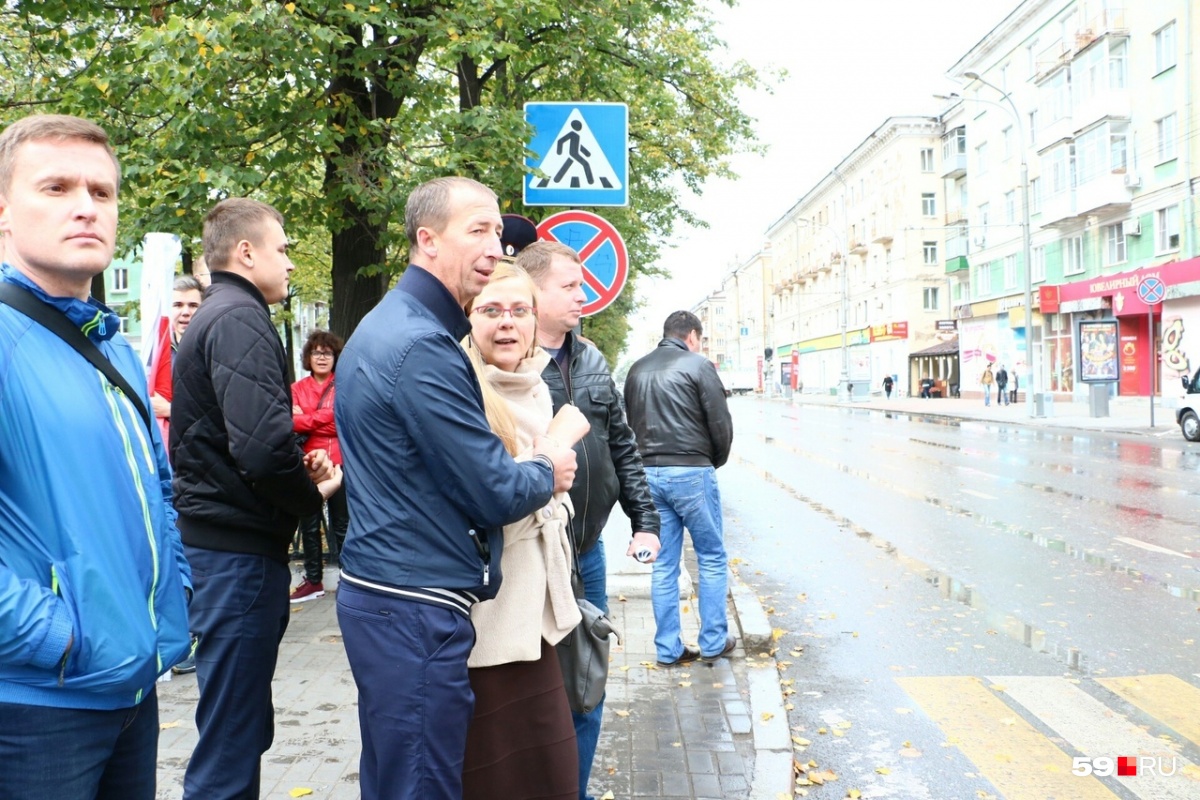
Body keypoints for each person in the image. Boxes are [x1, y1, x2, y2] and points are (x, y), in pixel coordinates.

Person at [334, 176, 578, 800]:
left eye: (497, 230)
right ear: (427, 240)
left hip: (392, 596)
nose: (495, 246)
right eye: (477, 230)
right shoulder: (421, 344)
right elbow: (494, 490)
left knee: (398, 777)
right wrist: (548, 467)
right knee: (421, 784)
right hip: (415, 607)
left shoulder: (395, 325)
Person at [0, 113, 192, 800]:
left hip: (129, 686)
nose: (86, 206)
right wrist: (57, 637)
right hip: (33, 706)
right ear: (3, 211)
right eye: (55, 187)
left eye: (102, 192)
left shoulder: (111, 345)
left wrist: (175, 597)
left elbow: (159, 489)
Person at [171, 198, 343, 800]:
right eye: (284, 248)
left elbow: (238, 439)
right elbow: (262, 451)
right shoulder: (240, 317)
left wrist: (296, 466)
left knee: (237, 726)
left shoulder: (222, 314)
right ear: (246, 252)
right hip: (237, 557)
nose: (290, 263)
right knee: (232, 739)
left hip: (230, 549)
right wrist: (312, 493)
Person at [516, 239, 661, 800]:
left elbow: (621, 443)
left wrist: (645, 519)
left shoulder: (593, 359)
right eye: (570, 286)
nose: (584, 294)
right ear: (533, 291)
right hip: (530, 553)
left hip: (588, 554)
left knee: (586, 684)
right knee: (531, 691)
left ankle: (572, 791)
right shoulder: (509, 360)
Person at [459, 261, 590, 799]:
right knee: (496, 770)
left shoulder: (536, 388)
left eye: (519, 311)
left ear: (537, 322)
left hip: (539, 612)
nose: (506, 323)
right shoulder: (461, 389)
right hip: (489, 614)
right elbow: (482, 501)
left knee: (549, 772)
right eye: (490, 310)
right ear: (469, 320)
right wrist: (547, 468)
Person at [624, 311, 735, 668]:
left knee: (664, 564)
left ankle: (668, 649)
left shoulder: (637, 369)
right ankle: (714, 642)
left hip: (647, 474)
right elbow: (720, 424)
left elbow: (628, 425)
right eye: (698, 340)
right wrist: (710, 462)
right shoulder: (699, 366)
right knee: (712, 557)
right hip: (691, 471)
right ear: (691, 336)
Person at [290, 329, 349, 603]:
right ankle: (313, 580)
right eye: (317, 352)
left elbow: (341, 420)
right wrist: (324, 418)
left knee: (343, 523)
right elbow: (288, 421)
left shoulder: (346, 384)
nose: (322, 357)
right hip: (307, 461)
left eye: (328, 352)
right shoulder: (296, 389)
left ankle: (349, 578)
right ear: (308, 357)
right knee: (309, 523)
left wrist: (307, 417)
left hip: (340, 461)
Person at [149, 274, 203, 439]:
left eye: (193, 305)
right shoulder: (157, 354)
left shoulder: (213, 351)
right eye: (178, 305)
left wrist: (171, 410)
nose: (186, 312)